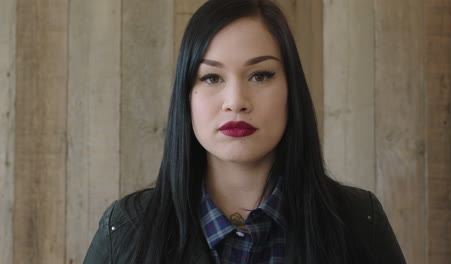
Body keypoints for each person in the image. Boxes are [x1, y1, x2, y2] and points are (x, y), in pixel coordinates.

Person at [83, 0, 406, 263]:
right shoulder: (125, 232)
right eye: (211, 78)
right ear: (186, 95)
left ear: (291, 89)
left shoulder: (360, 224)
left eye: (260, 75)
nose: (236, 101)